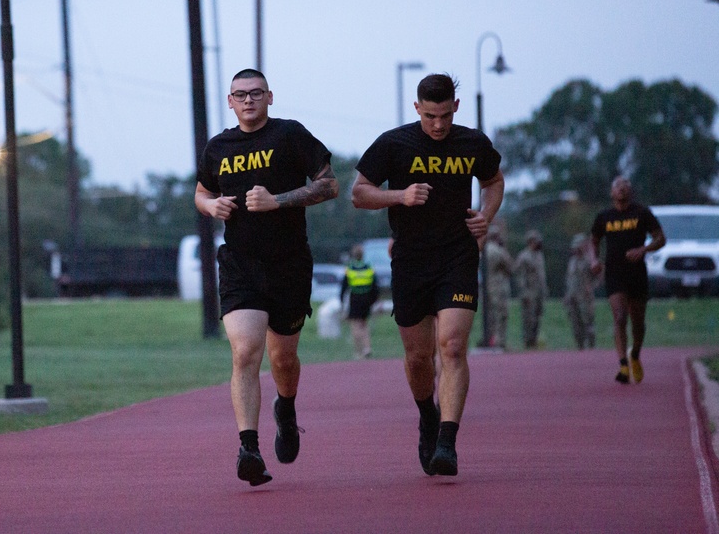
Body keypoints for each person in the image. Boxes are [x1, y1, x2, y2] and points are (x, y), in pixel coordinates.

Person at [351, 73, 504, 477]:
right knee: (419, 356)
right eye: (430, 116)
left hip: (457, 255)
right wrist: (399, 196)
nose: (438, 125)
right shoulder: (394, 143)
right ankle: (426, 415)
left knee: (452, 346)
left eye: (445, 116)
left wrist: (485, 217)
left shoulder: (473, 143)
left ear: (456, 106)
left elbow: (493, 181)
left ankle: (448, 444)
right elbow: (359, 193)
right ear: (417, 108)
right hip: (410, 260)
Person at [195, 68, 339, 486]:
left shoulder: (290, 135)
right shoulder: (218, 147)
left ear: (270, 96)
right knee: (245, 353)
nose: (248, 101)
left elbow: (329, 185)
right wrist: (211, 207)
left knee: (283, 359)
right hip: (241, 264)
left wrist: (278, 201)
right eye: (240, 95)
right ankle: (248, 448)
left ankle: (287, 408)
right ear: (229, 101)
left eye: (255, 93)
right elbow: (201, 192)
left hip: (289, 264)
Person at [590, 176, 666, 384]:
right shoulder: (605, 216)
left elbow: (661, 238)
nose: (622, 190)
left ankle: (635, 354)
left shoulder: (641, 213)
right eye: (618, 187)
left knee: (638, 321)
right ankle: (623, 364)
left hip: (637, 273)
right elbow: (594, 240)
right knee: (620, 317)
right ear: (611, 192)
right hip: (614, 273)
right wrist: (594, 259)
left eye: (626, 187)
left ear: (630, 192)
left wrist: (643, 249)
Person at [340, 243, 380, 359]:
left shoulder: (350, 268)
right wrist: (373, 300)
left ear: (353, 255)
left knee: (355, 325)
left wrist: (342, 300)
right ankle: (367, 347)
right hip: (366, 298)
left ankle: (358, 351)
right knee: (364, 323)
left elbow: (344, 286)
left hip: (355, 298)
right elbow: (375, 286)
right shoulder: (369, 268)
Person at [514, 230, 548, 349]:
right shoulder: (524, 256)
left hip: (539, 292)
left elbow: (542, 274)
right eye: (536, 241)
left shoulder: (539, 255)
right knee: (529, 318)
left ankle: (534, 341)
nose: (539, 244)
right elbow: (520, 276)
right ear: (530, 242)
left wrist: (544, 290)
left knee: (537, 317)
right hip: (529, 292)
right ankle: (528, 342)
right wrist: (524, 293)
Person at [564, 233, 598, 350]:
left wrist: (591, 287)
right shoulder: (572, 261)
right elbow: (569, 279)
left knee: (588, 322)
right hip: (572, 296)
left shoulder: (589, 260)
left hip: (585, 296)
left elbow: (598, 276)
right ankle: (580, 346)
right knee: (575, 323)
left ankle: (591, 346)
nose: (576, 249)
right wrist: (567, 295)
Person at [484, 225, 514, 349]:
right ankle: (499, 341)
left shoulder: (483, 250)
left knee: (489, 314)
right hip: (499, 286)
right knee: (501, 314)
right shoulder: (498, 251)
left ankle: (488, 339)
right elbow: (510, 268)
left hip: (485, 287)